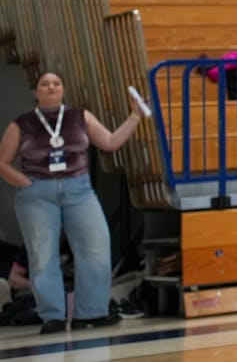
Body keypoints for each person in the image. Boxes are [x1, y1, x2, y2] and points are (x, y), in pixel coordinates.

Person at [0, 72, 150, 334]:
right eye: (44, 84)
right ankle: (53, 316)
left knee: (96, 246)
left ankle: (91, 312)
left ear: (63, 90)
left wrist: (135, 116)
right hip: (38, 192)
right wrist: (23, 182)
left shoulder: (80, 116)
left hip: (78, 189)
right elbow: (2, 162)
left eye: (56, 83)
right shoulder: (21, 123)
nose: (50, 87)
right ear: (36, 92)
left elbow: (110, 142)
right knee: (42, 254)